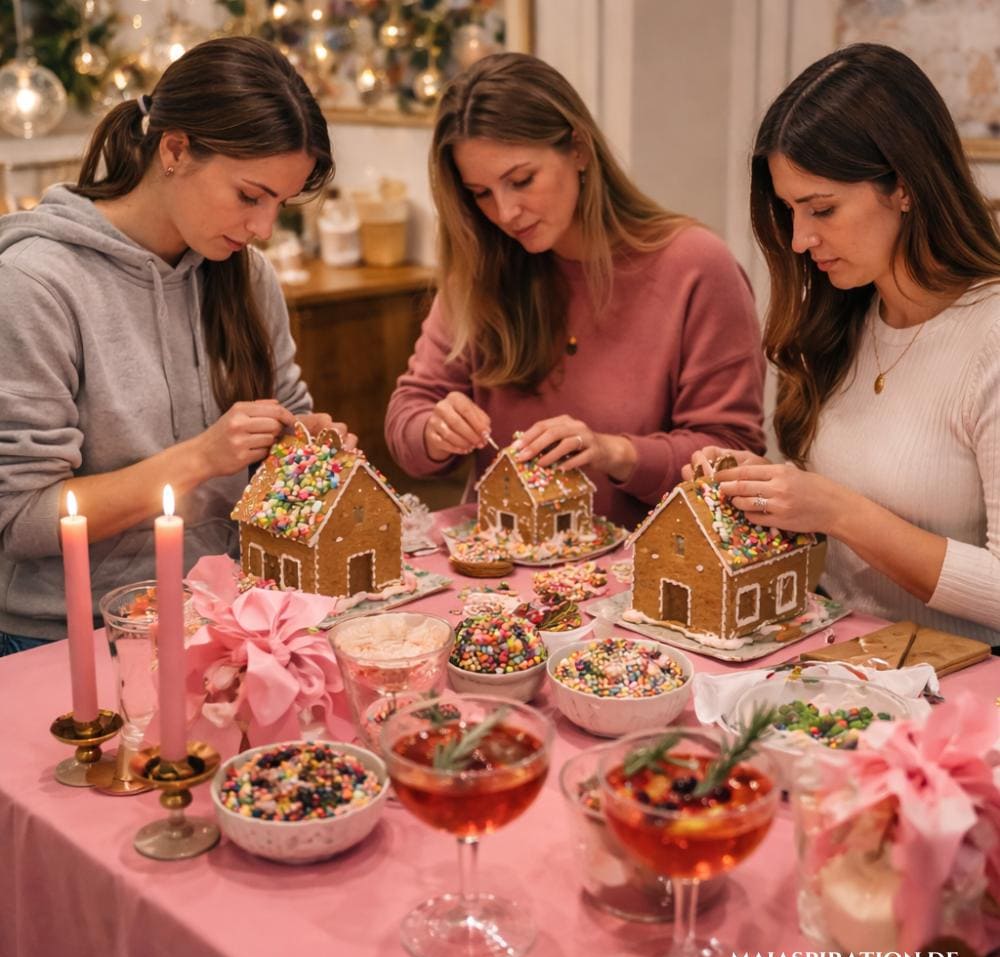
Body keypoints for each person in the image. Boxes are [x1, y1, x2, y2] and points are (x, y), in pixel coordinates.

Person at [0, 36, 355, 654]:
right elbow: (21, 520)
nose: (263, 228)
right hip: (67, 638)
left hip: (227, 615)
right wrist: (201, 457)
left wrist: (304, 446)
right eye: (250, 195)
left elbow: (287, 411)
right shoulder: (34, 284)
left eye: (280, 204)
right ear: (174, 149)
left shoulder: (245, 273)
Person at [687, 43, 1000, 646]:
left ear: (904, 186)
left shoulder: (987, 336)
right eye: (790, 211)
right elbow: (836, 550)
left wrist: (837, 511)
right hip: (845, 663)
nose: (801, 238)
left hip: (959, 692)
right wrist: (769, 491)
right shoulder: (849, 316)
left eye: (822, 209)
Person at [385, 52, 765, 531]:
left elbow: (733, 453)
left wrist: (614, 452)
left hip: (643, 579)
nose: (505, 213)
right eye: (481, 193)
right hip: (503, 577)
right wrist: (432, 431)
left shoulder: (696, 267)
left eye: (521, 180)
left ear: (579, 149)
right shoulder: (482, 265)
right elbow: (409, 416)